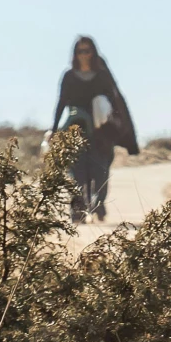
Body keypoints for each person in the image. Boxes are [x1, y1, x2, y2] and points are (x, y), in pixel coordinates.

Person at [50, 35, 138, 223]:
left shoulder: (102, 76)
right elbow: (61, 103)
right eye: (80, 51)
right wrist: (54, 129)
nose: (84, 55)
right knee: (77, 173)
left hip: (100, 133)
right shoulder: (69, 77)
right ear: (75, 54)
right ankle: (77, 210)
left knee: (100, 171)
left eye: (87, 51)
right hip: (76, 131)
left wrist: (119, 126)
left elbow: (115, 101)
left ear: (93, 52)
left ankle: (99, 204)